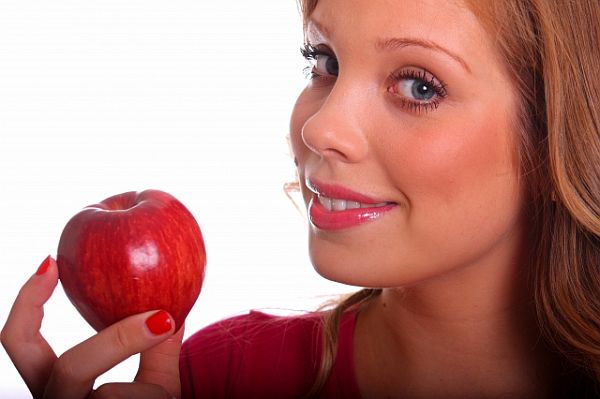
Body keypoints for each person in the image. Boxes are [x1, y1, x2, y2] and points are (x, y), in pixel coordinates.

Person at [2, 0, 599, 397]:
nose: (319, 129)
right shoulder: (216, 380)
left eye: (419, 85)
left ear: (557, 137)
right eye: (325, 62)